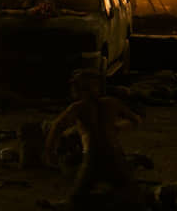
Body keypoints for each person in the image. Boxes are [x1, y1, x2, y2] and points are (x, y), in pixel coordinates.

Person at [45, 70, 144, 208]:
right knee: (127, 188)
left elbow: (57, 126)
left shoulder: (78, 108)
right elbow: (136, 120)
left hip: (93, 154)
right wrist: (118, 126)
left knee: (78, 195)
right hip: (113, 152)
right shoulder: (112, 103)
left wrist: (50, 150)